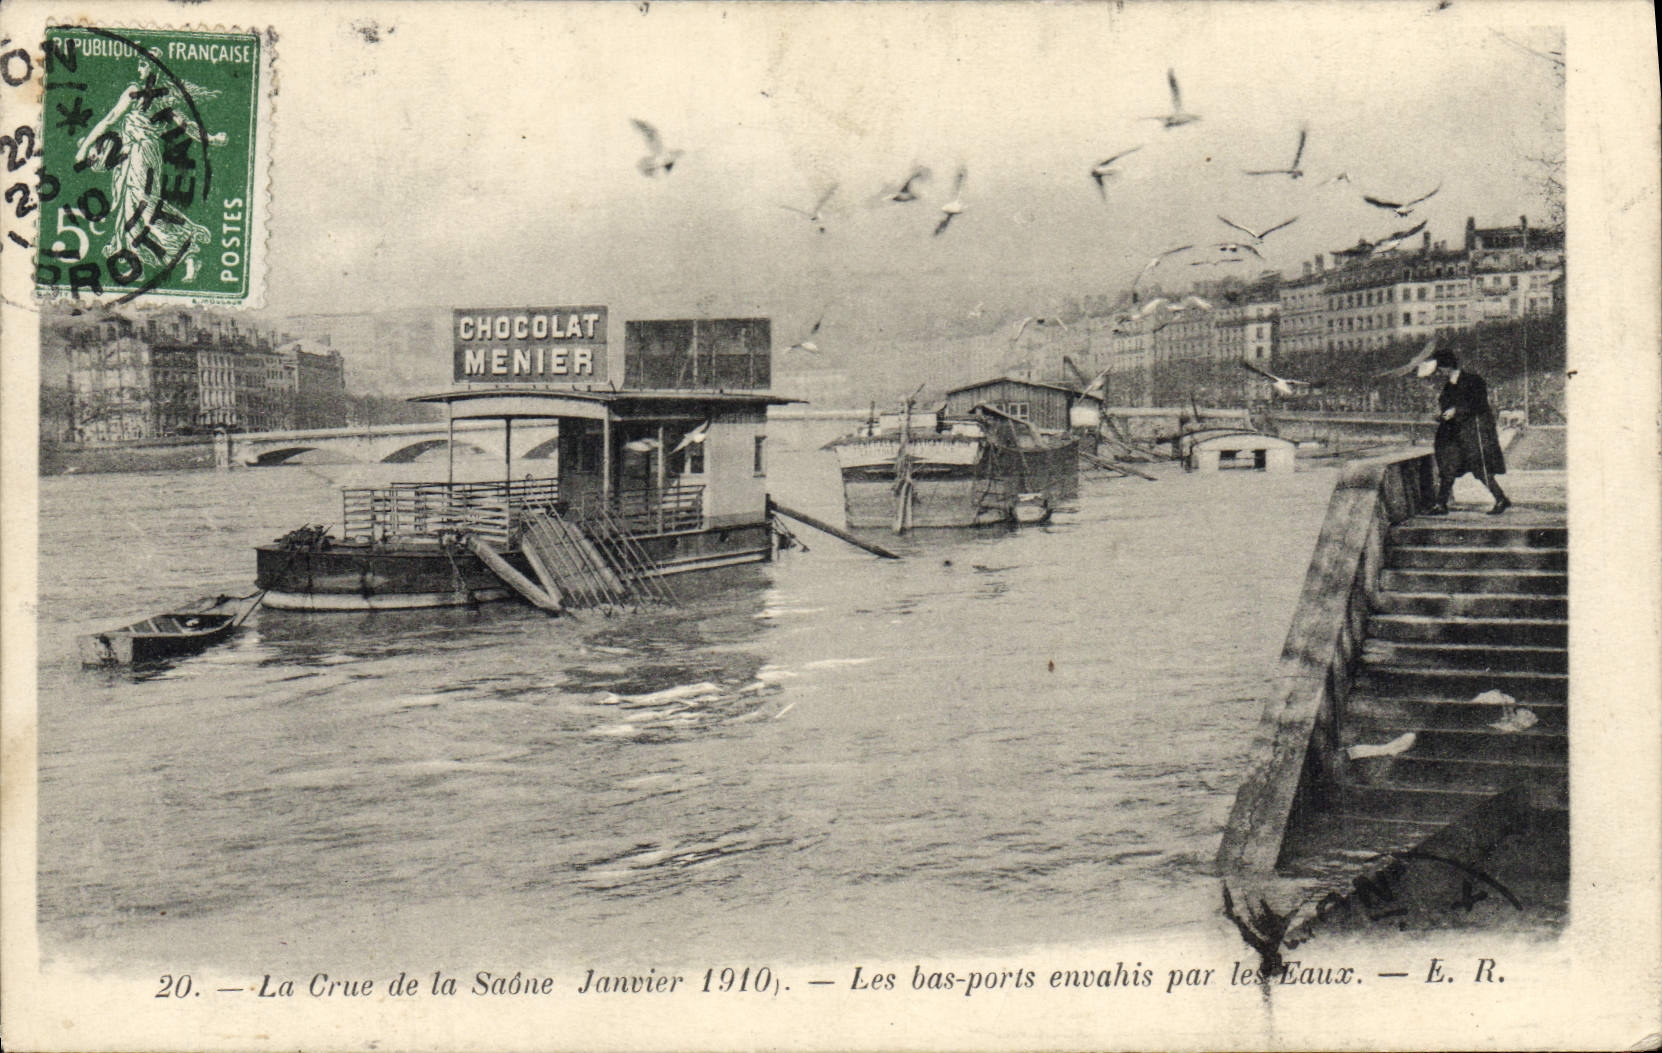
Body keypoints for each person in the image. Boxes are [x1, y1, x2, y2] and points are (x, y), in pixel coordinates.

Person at [1418, 350, 1510, 515]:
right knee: (1448, 466)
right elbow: (1447, 405)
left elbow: (1479, 404)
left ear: (1447, 367)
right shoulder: (1449, 385)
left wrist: (1456, 411)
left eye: (1440, 369)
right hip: (1453, 433)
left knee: (1479, 468)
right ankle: (1441, 504)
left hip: (1472, 433)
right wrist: (1442, 415)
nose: (1438, 373)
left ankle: (1501, 498)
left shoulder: (1473, 380)